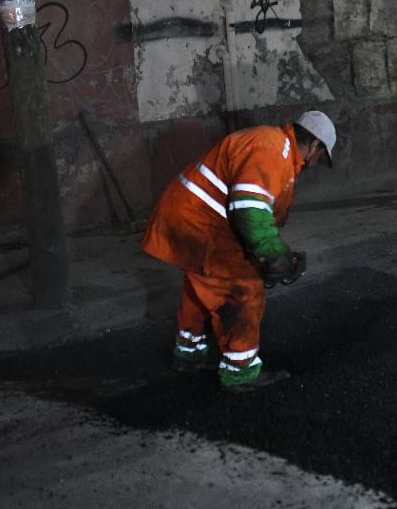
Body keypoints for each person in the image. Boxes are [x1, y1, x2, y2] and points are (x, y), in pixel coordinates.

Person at [140, 111, 336, 392]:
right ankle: (240, 371)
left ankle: (190, 352)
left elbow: (254, 210)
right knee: (242, 289)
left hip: (188, 217)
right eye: (320, 157)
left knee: (201, 285)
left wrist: (265, 251)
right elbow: (251, 209)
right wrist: (274, 256)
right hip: (201, 224)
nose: (314, 164)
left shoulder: (273, 144)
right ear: (315, 145)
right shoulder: (273, 150)